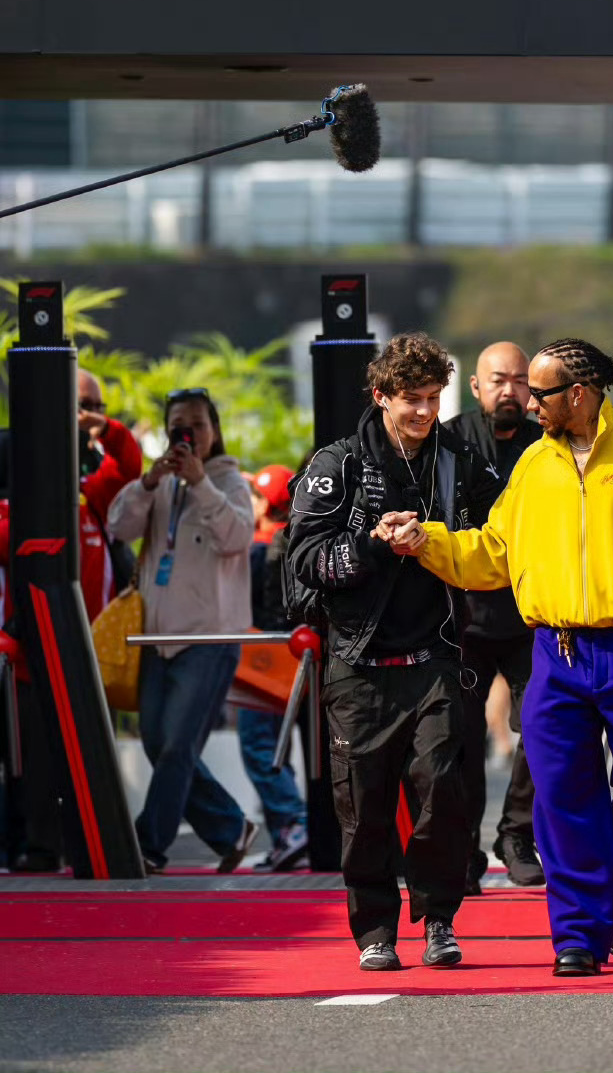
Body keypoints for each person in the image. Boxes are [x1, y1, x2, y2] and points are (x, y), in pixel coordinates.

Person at [379, 338, 613, 977]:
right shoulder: (534, 465)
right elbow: (493, 552)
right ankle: (577, 936)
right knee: (562, 797)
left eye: (540, 392)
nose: (529, 402)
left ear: (579, 394)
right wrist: (426, 541)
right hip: (557, 653)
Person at [286, 333, 502, 971]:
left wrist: (440, 539)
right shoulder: (337, 464)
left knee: (444, 794)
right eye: (413, 398)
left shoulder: (459, 458)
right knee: (364, 811)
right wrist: (375, 545)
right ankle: (375, 931)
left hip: (435, 658)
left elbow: (501, 530)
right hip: (357, 664)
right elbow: (304, 558)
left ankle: (438, 919)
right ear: (381, 395)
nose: (425, 411)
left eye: (434, 398)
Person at [108, 388, 259, 874]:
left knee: (177, 747)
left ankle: (147, 844)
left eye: (197, 424)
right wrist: (147, 482)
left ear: (214, 430)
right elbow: (119, 528)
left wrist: (200, 483)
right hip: (155, 639)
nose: (188, 433)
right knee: (159, 745)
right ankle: (230, 829)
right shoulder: (158, 484)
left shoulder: (229, 481)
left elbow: (237, 537)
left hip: (209, 640)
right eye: (178, 425)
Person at [3, 372, 142, 873]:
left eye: (95, 405)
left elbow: (129, 467)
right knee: (34, 758)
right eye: (81, 404)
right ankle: (40, 847)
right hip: (27, 654)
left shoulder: (94, 492)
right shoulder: (15, 500)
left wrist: (106, 428)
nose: (86, 413)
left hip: (93, 652)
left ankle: (96, 846)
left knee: (93, 756)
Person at [444, 341, 544, 891]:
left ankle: (516, 834)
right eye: (498, 380)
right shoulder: (448, 441)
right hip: (463, 617)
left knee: (543, 728)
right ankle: (463, 850)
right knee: (460, 739)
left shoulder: (547, 443)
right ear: (476, 386)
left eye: (520, 380)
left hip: (530, 616)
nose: (510, 390)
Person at [236, 464, 310, 872]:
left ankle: (293, 824)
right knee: (281, 748)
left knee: (259, 746)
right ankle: (289, 834)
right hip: (297, 657)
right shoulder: (299, 540)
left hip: (263, 660)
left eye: (253, 496)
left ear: (265, 505)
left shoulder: (256, 549)